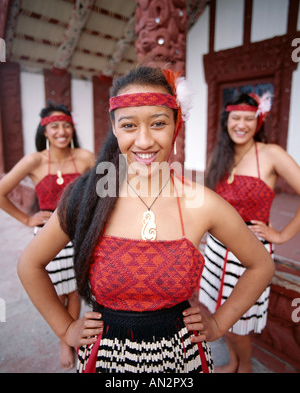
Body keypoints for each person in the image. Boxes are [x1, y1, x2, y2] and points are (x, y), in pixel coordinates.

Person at [17, 66, 274, 373]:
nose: (143, 140)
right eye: (129, 125)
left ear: (176, 124)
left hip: (180, 357)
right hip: (107, 359)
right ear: (114, 128)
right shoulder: (88, 196)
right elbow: (29, 265)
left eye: (158, 123)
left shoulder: (202, 203)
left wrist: (218, 323)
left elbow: (261, 265)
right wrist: (66, 330)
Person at [199, 92, 300, 373]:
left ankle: (245, 369)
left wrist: (280, 235)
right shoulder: (219, 156)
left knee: (235, 323)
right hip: (217, 250)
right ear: (226, 121)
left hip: (249, 257)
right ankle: (233, 363)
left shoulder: (271, 154)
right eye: (235, 118)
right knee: (221, 315)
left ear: (259, 121)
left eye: (248, 118)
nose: (241, 124)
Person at [0, 103, 95, 369]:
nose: (61, 131)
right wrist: (27, 219)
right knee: (58, 291)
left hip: (80, 235)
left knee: (76, 290)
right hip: (48, 237)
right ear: (45, 131)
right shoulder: (35, 160)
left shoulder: (86, 157)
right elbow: (1, 191)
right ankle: (65, 338)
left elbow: (104, 191)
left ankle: (69, 339)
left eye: (66, 125)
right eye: (54, 126)